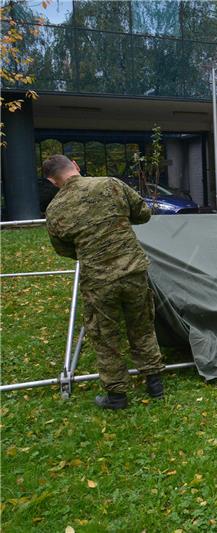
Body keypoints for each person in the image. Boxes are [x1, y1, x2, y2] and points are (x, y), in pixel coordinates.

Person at [42, 155, 165, 410]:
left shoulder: (54, 210)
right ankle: (155, 384)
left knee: (104, 336)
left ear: (52, 181)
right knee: (141, 325)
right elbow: (143, 213)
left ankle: (117, 396)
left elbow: (64, 250)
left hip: (98, 279)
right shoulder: (110, 184)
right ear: (75, 165)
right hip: (132, 271)